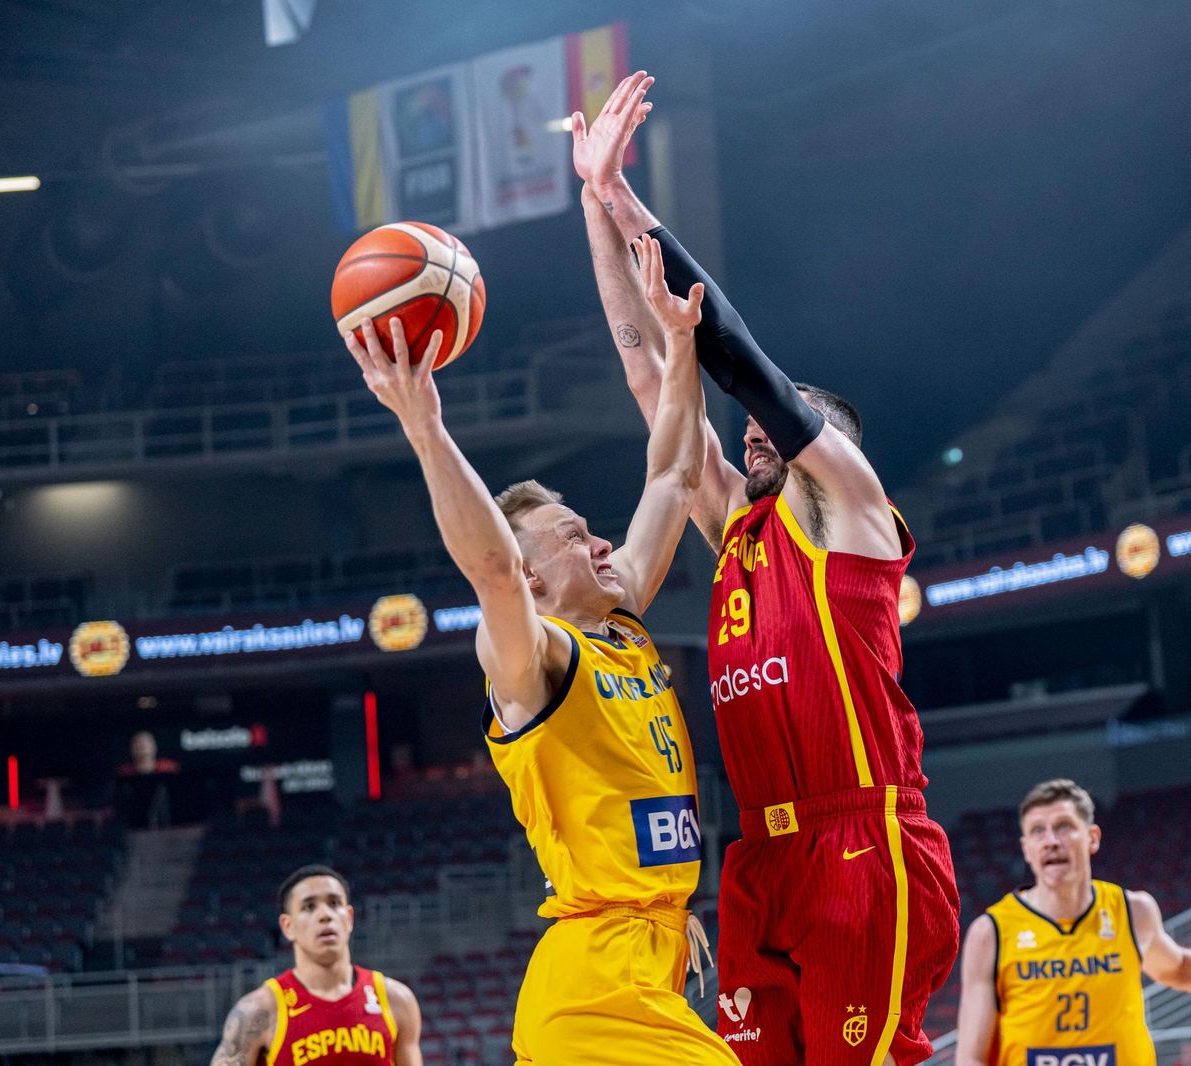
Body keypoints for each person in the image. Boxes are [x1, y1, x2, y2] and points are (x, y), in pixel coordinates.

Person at [574, 71, 960, 1065]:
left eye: (785, 420)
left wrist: (628, 200)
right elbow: (649, 376)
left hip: (863, 843)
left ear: (834, 444)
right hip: (758, 856)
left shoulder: (849, 511)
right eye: (755, 426)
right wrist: (588, 206)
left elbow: (736, 359)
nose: (753, 429)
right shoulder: (738, 538)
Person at [346, 246, 738, 1065]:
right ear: (532, 574)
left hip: (646, 958)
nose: (600, 541)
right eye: (571, 538)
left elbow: (672, 470)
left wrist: (681, 341)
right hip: (594, 989)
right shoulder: (534, 662)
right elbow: (491, 572)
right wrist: (425, 427)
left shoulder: (621, 624)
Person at [954, 780, 1191, 1066]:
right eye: (1038, 831)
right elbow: (970, 1057)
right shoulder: (992, 932)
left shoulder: (1132, 910)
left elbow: (1179, 967)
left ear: (1092, 838)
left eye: (1064, 826)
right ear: (1026, 848)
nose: (1050, 840)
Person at [208, 865, 422, 1066]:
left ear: (349, 918)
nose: (325, 915)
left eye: (334, 903)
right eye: (309, 906)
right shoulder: (258, 1010)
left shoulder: (396, 999)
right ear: (288, 926)